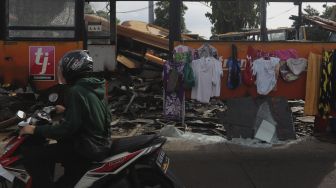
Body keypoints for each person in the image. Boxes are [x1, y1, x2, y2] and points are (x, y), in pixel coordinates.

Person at [20, 50, 112, 188]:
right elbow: (98, 115)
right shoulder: (94, 87)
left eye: (61, 68)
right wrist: (66, 111)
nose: (60, 72)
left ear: (71, 68)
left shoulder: (76, 91)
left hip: (85, 147)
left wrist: (34, 129)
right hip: (99, 142)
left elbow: (68, 128)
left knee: (31, 155)